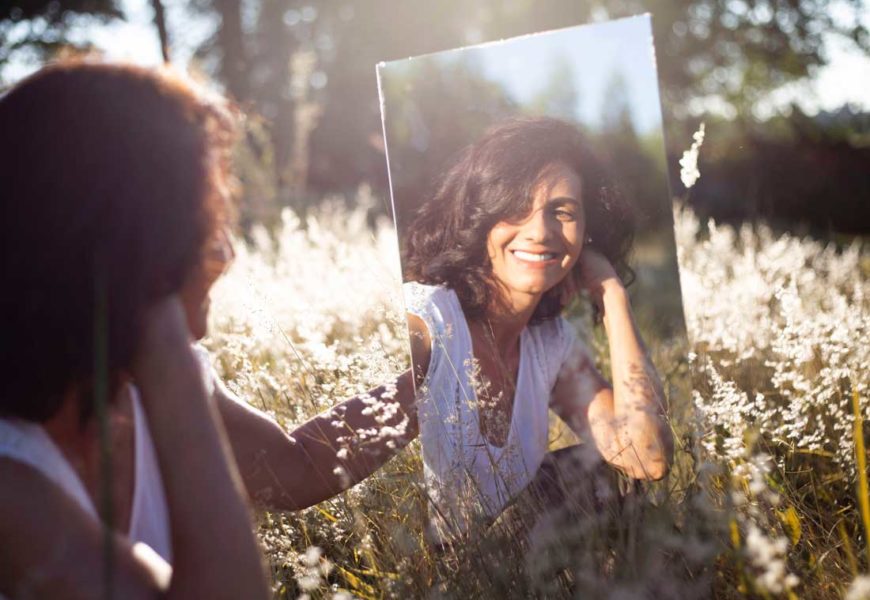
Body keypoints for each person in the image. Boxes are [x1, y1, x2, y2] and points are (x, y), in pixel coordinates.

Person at [0, 60, 410, 599]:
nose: (227, 254)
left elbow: (294, 468)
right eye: (203, 221)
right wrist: (164, 339)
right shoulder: (12, 478)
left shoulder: (146, 385)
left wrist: (427, 377)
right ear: (128, 239)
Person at [398, 116, 673, 542]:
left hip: (499, 572)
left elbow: (646, 457)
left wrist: (612, 293)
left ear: (587, 233)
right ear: (480, 217)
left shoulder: (550, 344)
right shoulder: (426, 320)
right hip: (415, 575)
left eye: (562, 211)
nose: (540, 231)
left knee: (601, 474)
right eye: (515, 206)